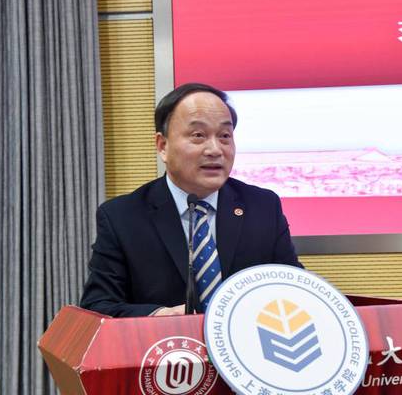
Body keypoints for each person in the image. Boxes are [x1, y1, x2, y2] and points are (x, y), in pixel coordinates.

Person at [80, 83, 301, 317]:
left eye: (225, 136)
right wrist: (159, 316)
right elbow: (98, 306)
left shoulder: (263, 207)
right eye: (198, 136)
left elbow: (294, 291)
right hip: (163, 340)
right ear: (163, 146)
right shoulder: (122, 217)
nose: (215, 149)